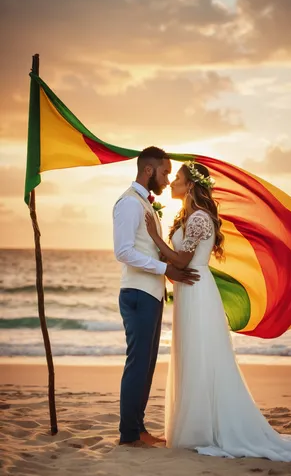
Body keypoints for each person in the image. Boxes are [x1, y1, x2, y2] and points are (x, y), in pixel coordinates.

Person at [145, 161, 291, 461]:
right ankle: (194, 427)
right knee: (190, 355)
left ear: (191, 184)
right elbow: (177, 265)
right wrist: (168, 267)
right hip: (187, 289)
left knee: (201, 355)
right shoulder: (186, 218)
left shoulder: (200, 219)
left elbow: (181, 261)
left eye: (177, 178)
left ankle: (204, 430)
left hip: (197, 292)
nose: (171, 183)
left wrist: (154, 237)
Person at [113, 147, 200, 447]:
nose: (166, 179)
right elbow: (123, 252)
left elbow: (148, 248)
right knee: (138, 363)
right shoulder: (129, 204)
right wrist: (166, 269)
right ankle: (128, 434)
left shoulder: (144, 204)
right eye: (164, 172)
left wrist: (165, 272)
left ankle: (138, 429)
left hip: (151, 294)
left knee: (147, 363)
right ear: (148, 171)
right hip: (137, 294)